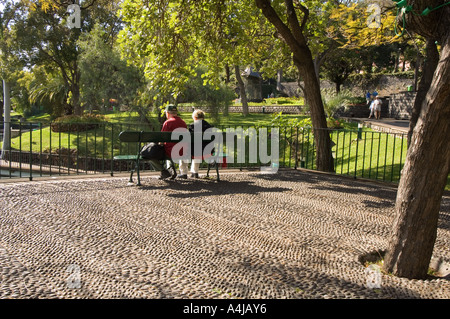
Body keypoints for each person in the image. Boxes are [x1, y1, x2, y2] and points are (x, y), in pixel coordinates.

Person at [149, 104, 189, 179]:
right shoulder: (183, 123)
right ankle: (170, 168)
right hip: (183, 151)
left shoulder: (168, 123)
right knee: (168, 148)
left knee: (150, 154)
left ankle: (164, 170)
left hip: (171, 151)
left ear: (167, 113)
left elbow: (162, 139)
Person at [188, 109, 213, 178]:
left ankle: (190, 172)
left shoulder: (192, 126)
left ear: (195, 117)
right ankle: (194, 172)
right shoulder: (209, 126)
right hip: (208, 152)